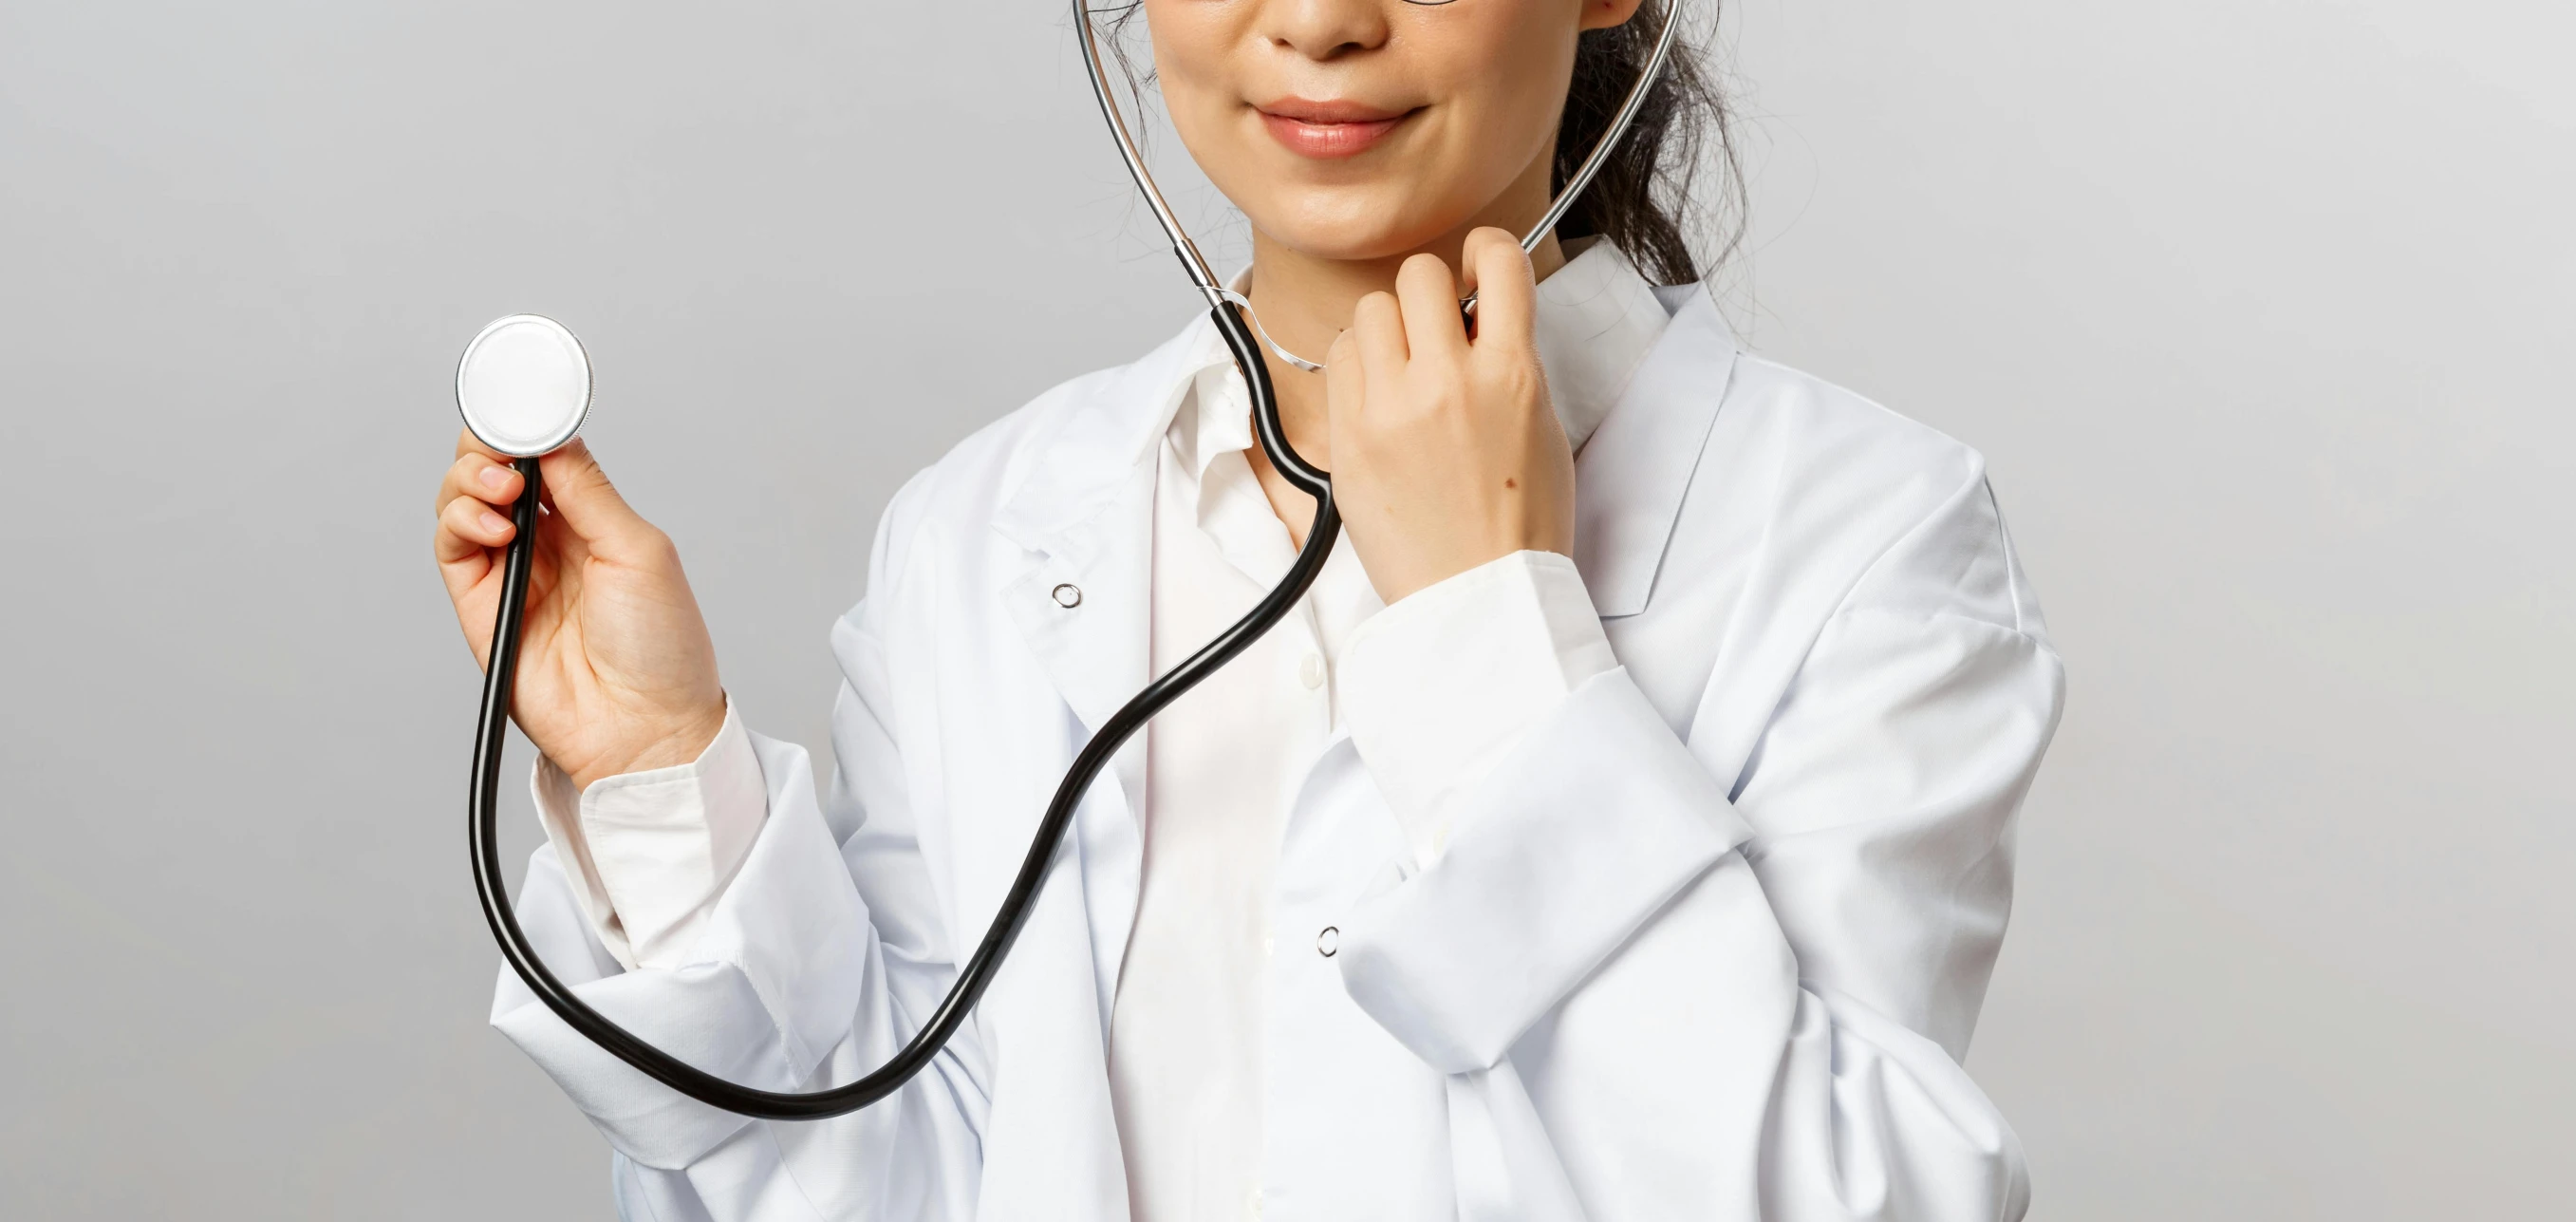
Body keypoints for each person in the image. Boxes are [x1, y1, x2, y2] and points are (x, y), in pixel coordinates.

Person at [429, 2, 2064, 1217]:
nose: (1320, 22)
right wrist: (661, 781)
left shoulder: (1860, 536)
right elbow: (903, 1176)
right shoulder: (984, 531)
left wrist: (1492, 628)